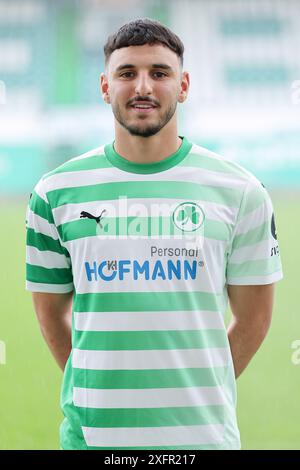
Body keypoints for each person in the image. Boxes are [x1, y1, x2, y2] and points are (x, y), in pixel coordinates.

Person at [25, 18, 283, 450]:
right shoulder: (55, 193)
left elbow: (255, 318)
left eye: (159, 73)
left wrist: (198, 384)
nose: (143, 86)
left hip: (203, 440)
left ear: (183, 86)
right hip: (93, 441)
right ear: (106, 87)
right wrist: (95, 389)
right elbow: (50, 313)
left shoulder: (241, 192)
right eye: (127, 73)